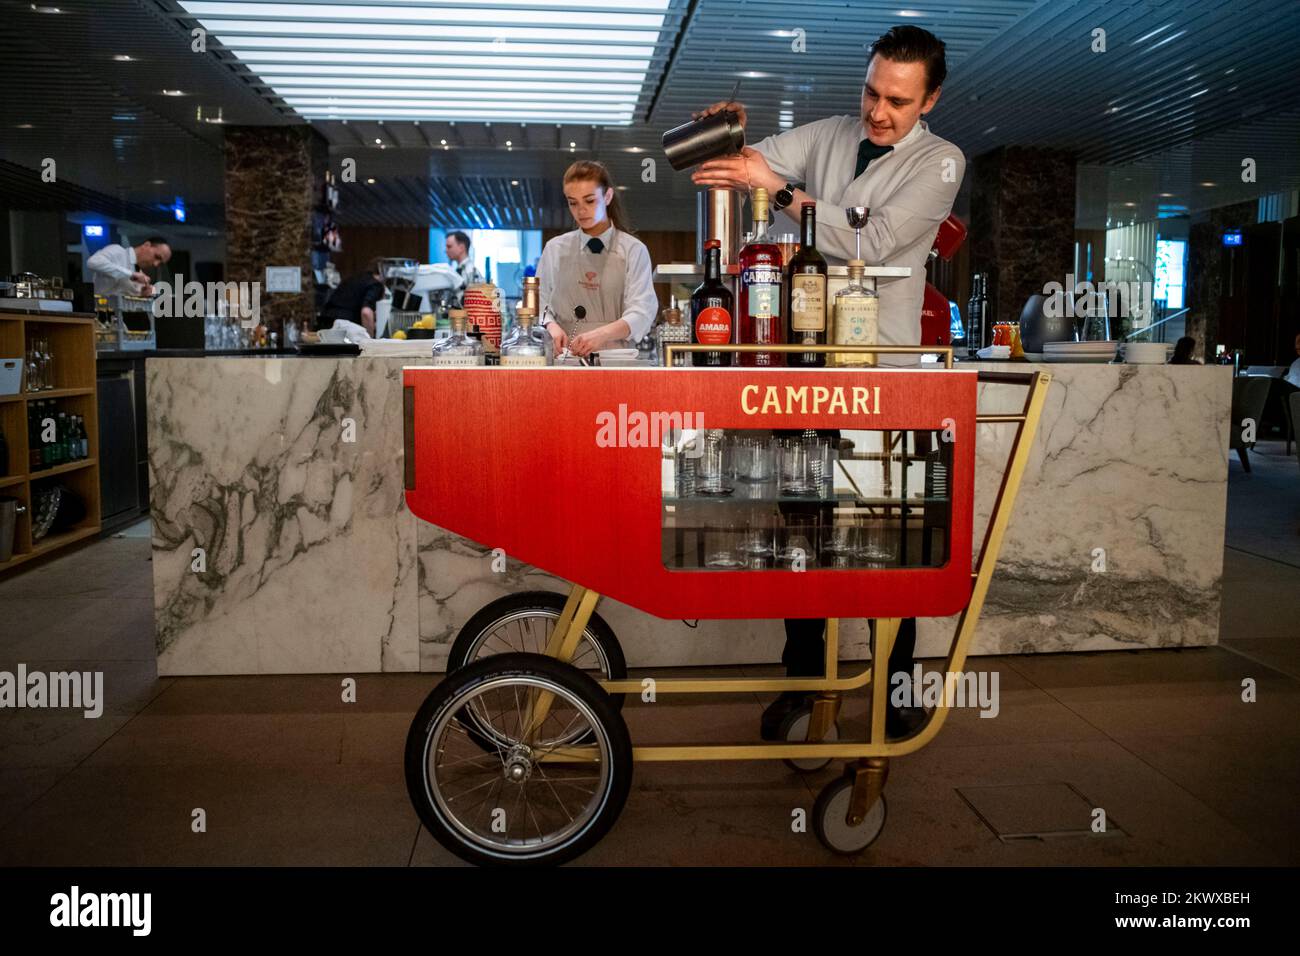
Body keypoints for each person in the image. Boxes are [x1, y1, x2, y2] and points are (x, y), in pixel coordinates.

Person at [692, 25, 965, 742]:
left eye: (898, 101)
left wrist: (778, 188)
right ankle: (803, 683)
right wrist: (723, 137)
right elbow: (746, 163)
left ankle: (895, 690)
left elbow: (868, 242)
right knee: (803, 530)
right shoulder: (831, 134)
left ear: (929, 99)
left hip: (888, 381)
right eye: (873, 92)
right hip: (808, 377)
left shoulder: (941, 163)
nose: (878, 111)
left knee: (897, 543)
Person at [538, 160, 658, 357]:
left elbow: (642, 311)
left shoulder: (633, 250)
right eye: (573, 203)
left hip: (616, 360)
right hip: (564, 358)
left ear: (608, 196)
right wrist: (551, 327)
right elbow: (539, 303)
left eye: (590, 200)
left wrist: (601, 335)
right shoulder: (555, 249)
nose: (581, 210)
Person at [87, 236, 171, 297]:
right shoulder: (117, 251)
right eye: (157, 257)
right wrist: (131, 274)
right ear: (146, 245)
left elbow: (123, 293)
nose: (155, 264)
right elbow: (92, 262)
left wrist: (143, 293)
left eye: (160, 263)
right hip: (98, 312)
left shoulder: (138, 272)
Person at [319, 258, 384, 336]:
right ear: (383, 271)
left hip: (325, 321)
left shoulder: (354, 278)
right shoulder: (375, 284)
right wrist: (370, 340)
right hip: (345, 327)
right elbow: (366, 312)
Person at [445, 231, 482, 307]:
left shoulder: (471, 271)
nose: (446, 250)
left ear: (461, 248)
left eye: (449, 246)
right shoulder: (459, 270)